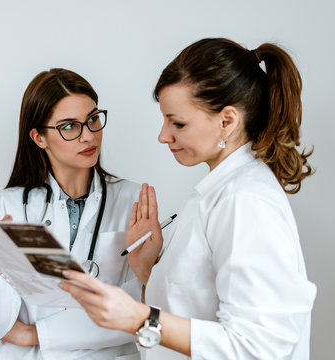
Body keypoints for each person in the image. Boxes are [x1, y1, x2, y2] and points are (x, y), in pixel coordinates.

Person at [60, 38, 317, 359]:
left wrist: (138, 318)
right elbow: (199, 306)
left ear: (227, 121)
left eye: (177, 123)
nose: (163, 135)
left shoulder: (246, 201)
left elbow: (257, 346)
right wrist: (148, 270)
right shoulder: (217, 194)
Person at [0, 68, 143, 360]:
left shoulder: (134, 201)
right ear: (38, 138)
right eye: (69, 127)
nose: (88, 136)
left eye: (93, 119)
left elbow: (136, 313)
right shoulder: (4, 209)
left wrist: (33, 334)